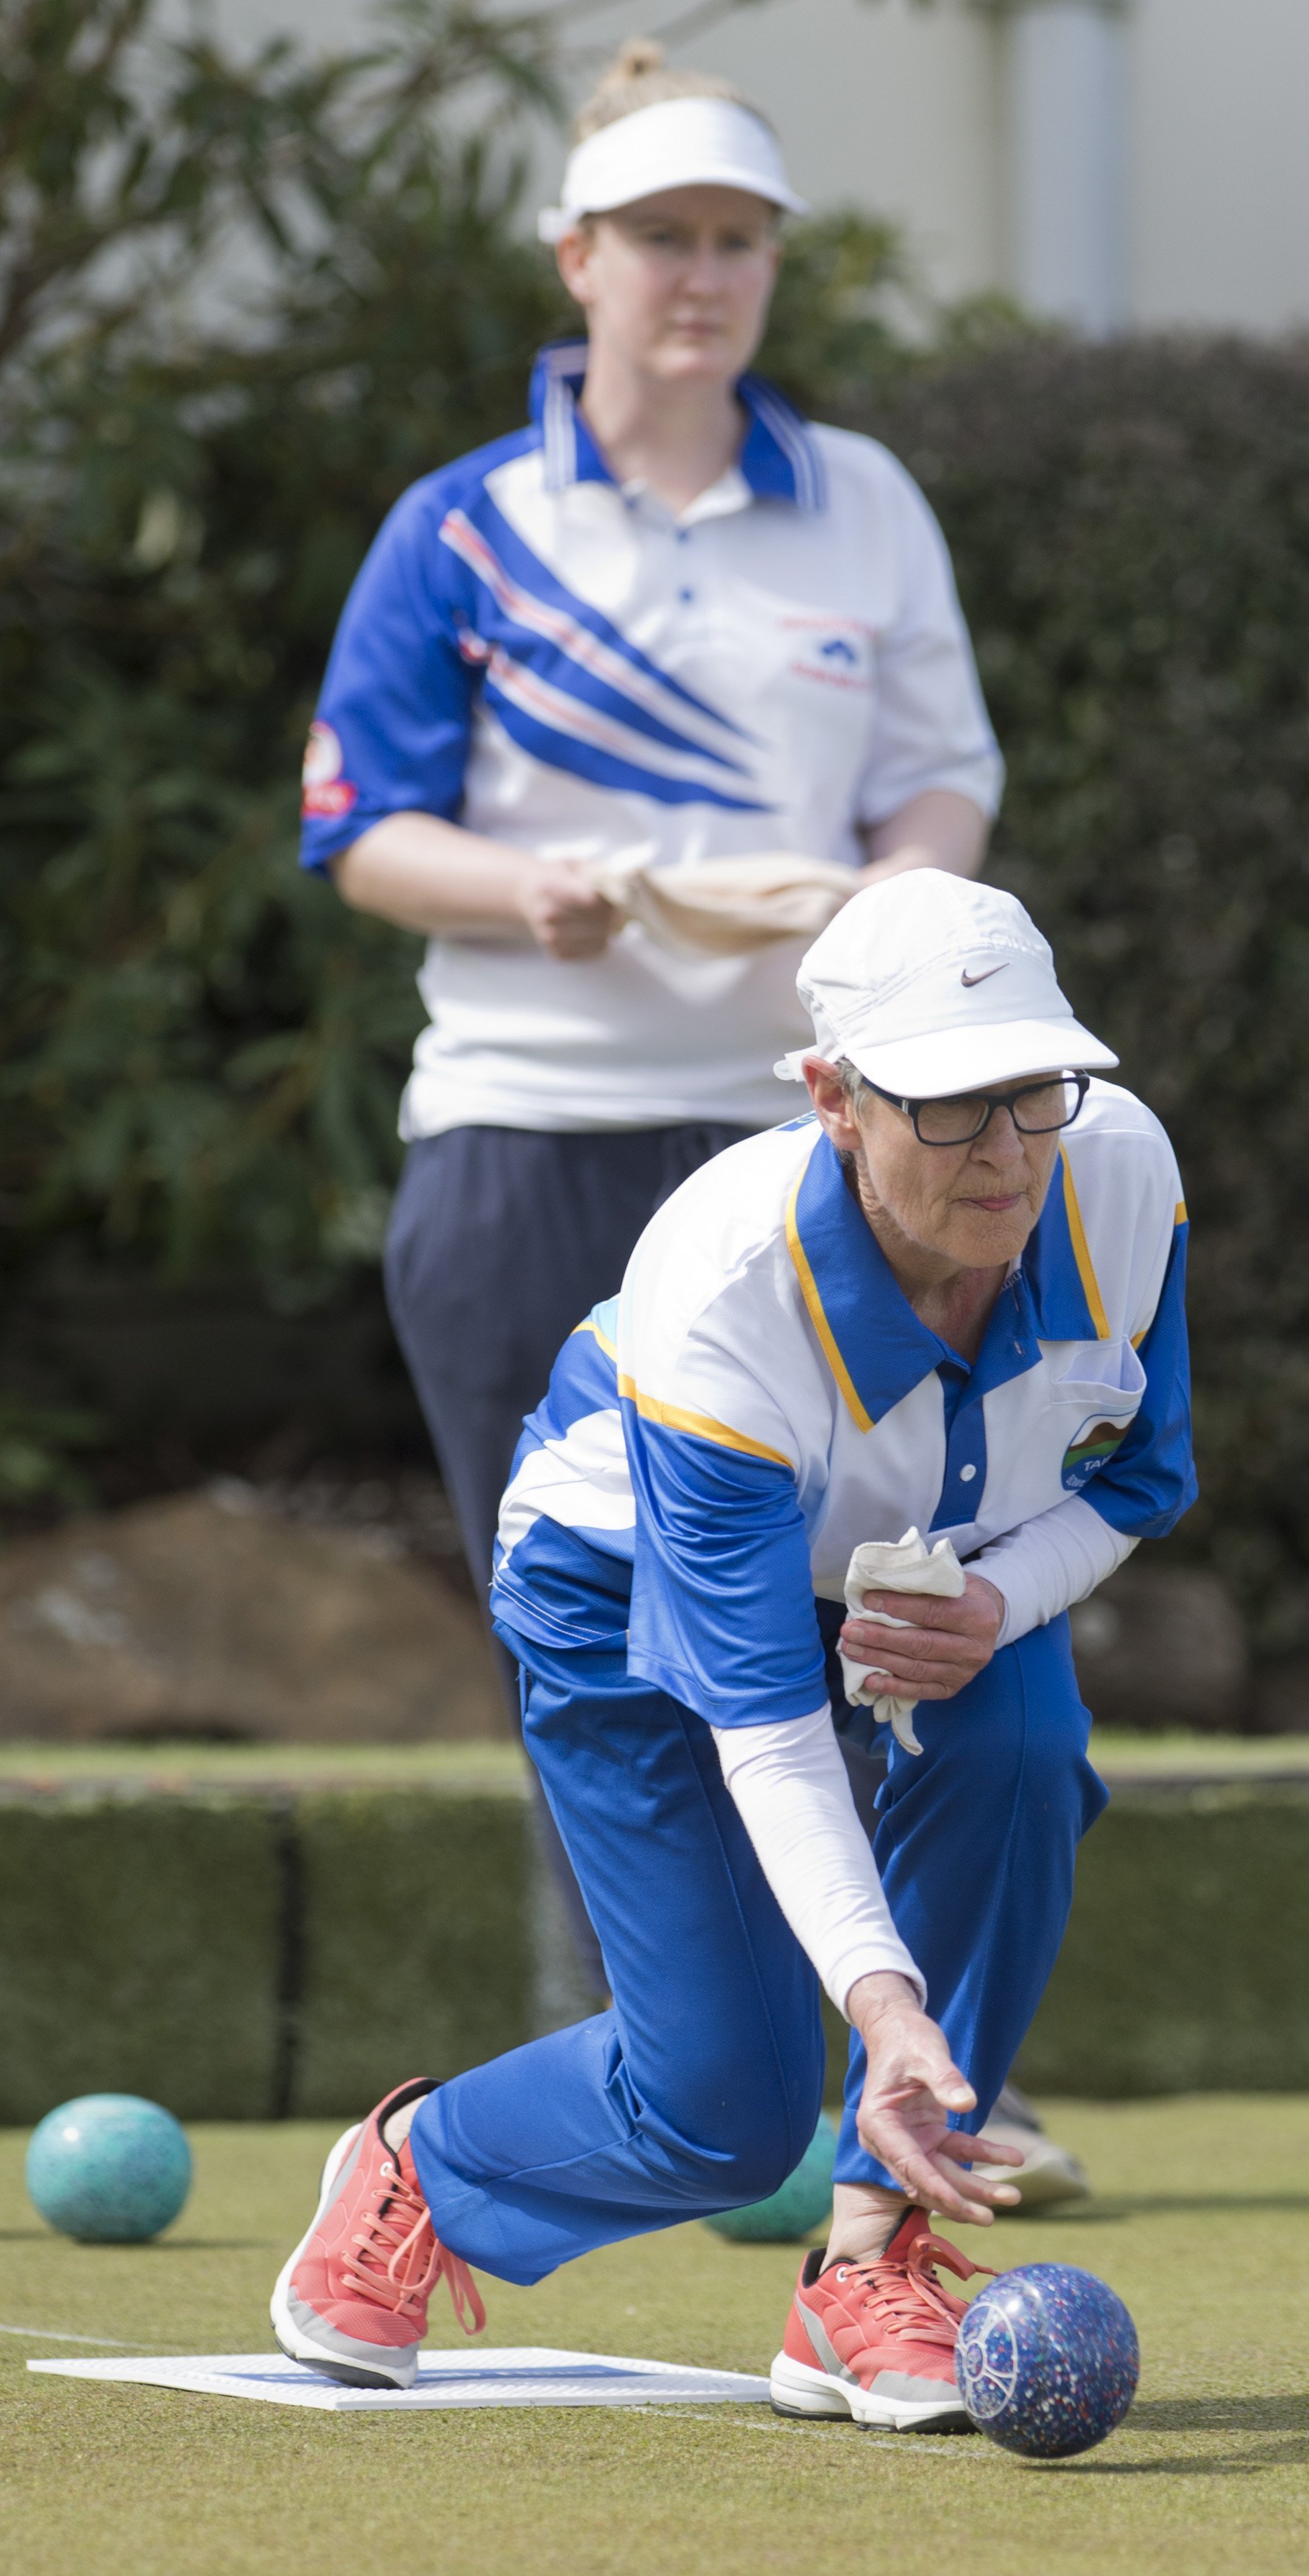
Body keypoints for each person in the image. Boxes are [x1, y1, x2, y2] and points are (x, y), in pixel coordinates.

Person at [270, 871, 1196, 2427]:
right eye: (952, 1110)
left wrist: (996, 1605)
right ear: (833, 1096)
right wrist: (881, 2001)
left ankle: (866, 2268)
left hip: (933, 1565)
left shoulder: (1113, 1169)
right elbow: (766, 1716)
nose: (1007, 1156)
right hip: (620, 1580)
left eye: (1032, 1094)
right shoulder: (720, 1287)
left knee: (1021, 1739)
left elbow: (1137, 1477)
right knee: (721, 2111)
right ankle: (422, 2157)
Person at [295, 40, 1002, 1987]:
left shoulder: (860, 504)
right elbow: (356, 826)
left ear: (769, 264)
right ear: (573, 254)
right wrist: (519, 890)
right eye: (658, 237)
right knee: (585, 1619)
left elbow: (942, 779)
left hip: (802, 1146)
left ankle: (906, 2059)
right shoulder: (458, 523)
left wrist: (887, 904)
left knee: (862, 1604)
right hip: (518, 1135)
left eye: (735, 241)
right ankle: (660, 2058)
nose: (698, 276)